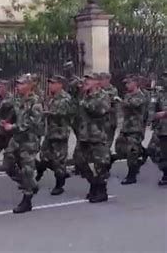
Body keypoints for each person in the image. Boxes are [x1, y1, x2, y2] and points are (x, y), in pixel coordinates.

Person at [1, 74, 44, 213]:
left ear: (29, 85)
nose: (17, 86)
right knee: (7, 164)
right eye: (17, 83)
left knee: (27, 169)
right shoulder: (17, 99)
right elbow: (12, 113)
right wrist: (6, 121)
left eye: (21, 83)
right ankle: (30, 184)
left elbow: (32, 121)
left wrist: (13, 127)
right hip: (17, 139)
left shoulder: (36, 102)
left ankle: (27, 200)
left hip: (29, 140)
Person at [76, 73, 111, 203]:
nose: (85, 82)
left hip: (97, 134)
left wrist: (85, 101)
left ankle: (101, 190)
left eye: (89, 79)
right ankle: (93, 183)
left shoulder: (103, 96)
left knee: (100, 163)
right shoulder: (85, 95)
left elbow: (99, 111)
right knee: (80, 161)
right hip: (85, 134)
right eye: (85, 79)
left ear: (97, 82)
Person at [38, 75, 74, 195]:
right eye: (50, 83)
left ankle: (59, 185)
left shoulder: (65, 98)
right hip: (50, 133)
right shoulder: (50, 98)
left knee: (59, 160)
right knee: (44, 156)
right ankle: (38, 176)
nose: (50, 85)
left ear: (60, 85)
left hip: (60, 133)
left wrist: (47, 113)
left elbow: (64, 113)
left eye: (53, 83)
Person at [114, 75, 147, 185]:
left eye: (128, 83)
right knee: (119, 148)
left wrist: (120, 101)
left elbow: (133, 105)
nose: (126, 85)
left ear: (135, 83)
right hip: (126, 127)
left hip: (135, 128)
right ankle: (143, 151)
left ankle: (131, 176)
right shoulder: (127, 95)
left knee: (131, 153)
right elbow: (123, 109)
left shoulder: (140, 96)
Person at [151, 72, 167, 186]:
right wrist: (155, 115)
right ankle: (166, 173)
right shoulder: (159, 93)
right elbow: (151, 110)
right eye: (165, 77)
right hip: (162, 129)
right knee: (157, 152)